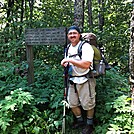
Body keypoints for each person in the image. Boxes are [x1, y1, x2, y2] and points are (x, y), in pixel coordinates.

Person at [61, 26, 96, 134]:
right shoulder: (68, 48)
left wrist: (69, 59)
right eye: (70, 34)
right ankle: (80, 121)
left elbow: (86, 64)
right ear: (67, 36)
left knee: (88, 103)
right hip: (72, 80)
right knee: (72, 103)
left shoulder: (85, 47)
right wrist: (66, 65)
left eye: (74, 33)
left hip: (85, 79)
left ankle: (89, 124)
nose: (72, 35)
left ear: (79, 35)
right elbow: (69, 63)